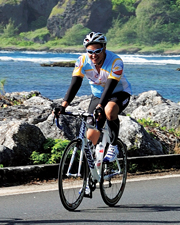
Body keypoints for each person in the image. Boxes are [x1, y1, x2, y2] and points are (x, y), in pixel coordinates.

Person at [54, 32, 132, 170]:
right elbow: (75, 84)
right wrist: (63, 106)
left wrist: (101, 106)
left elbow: (110, 85)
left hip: (118, 93)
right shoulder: (82, 60)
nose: (93, 55)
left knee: (109, 111)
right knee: (90, 137)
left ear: (104, 48)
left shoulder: (116, 61)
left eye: (97, 51)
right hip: (97, 95)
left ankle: (113, 147)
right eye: (90, 51)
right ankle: (90, 177)